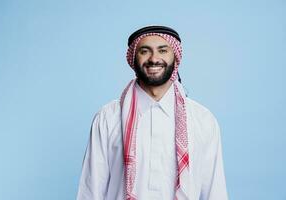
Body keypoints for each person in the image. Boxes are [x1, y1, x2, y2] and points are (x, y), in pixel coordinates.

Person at [76, 25, 228, 200]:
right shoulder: (108, 117)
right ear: (134, 58)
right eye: (145, 51)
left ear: (175, 57)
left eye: (163, 51)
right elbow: (91, 189)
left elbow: (214, 191)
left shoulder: (202, 119)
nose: (154, 58)